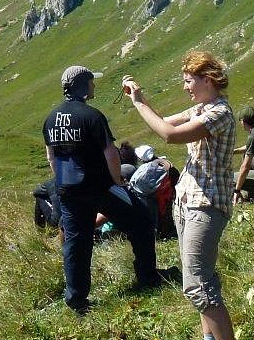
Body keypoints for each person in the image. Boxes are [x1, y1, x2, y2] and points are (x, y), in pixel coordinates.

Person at [123, 51, 236, 340]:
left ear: (207, 80)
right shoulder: (200, 109)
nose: (185, 87)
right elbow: (166, 123)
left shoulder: (219, 114)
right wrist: (140, 97)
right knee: (199, 279)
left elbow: (169, 136)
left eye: (189, 81)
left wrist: (138, 103)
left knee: (197, 285)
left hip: (207, 203)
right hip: (187, 201)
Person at [42, 65, 168, 314]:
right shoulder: (92, 116)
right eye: (91, 81)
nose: (94, 85)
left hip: (68, 190)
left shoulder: (51, 118)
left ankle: (77, 301)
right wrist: (117, 181)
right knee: (140, 219)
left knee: (76, 243)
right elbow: (110, 153)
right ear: (83, 85)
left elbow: (51, 158)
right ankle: (147, 276)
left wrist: (64, 182)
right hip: (100, 186)